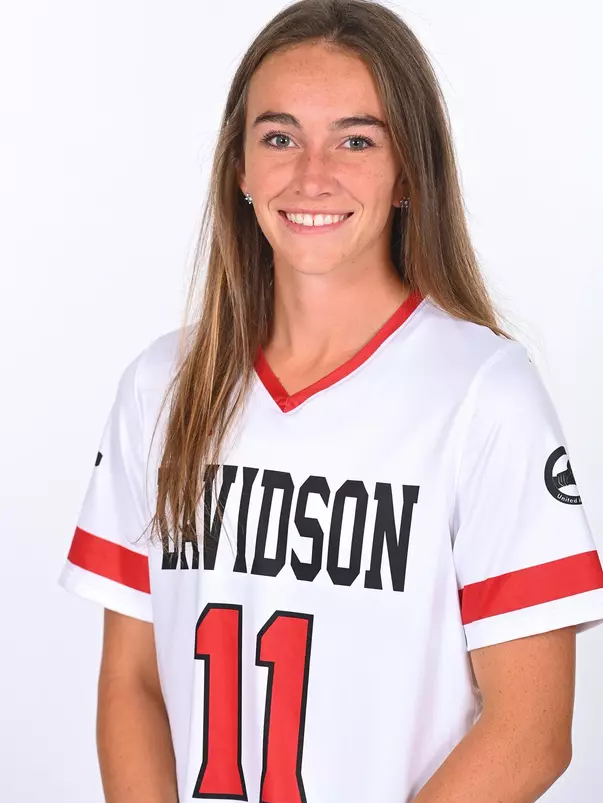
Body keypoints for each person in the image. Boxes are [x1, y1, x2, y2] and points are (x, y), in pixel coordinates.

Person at [58, 1, 603, 802]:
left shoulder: (485, 394)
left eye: (355, 140)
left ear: (409, 170)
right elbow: (132, 680)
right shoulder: (162, 385)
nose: (311, 175)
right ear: (238, 168)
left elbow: (530, 729)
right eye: (278, 137)